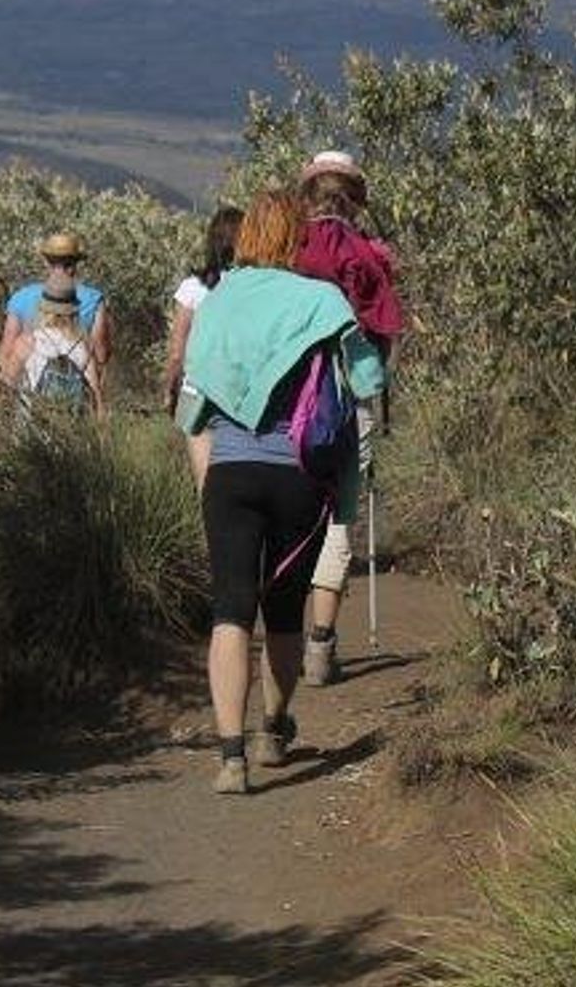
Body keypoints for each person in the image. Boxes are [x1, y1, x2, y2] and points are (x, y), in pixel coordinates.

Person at [179, 189, 385, 794]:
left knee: (230, 608)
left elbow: (192, 407)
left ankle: (230, 756)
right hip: (300, 476)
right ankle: (273, 727)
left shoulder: (218, 303)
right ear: (296, 236)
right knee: (284, 609)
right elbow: (366, 378)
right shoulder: (321, 299)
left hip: (232, 475)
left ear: (246, 239)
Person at [292, 150, 406, 688]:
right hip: (350, 397)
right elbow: (384, 334)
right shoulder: (369, 255)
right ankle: (320, 645)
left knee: (290, 510)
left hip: (287, 399)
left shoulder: (288, 250)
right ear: (353, 198)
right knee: (341, 513)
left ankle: (284, 636)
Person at [162, 206, 242, 488]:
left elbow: (177, 348)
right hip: (240, 388)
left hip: (198, 388)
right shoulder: (251, 286)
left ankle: (213, 528)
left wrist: (170, 389)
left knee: (205, 480)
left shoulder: (192, 288)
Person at [0, 232, 111, 391]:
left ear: (45, 262)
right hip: (77, 402)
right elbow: (101, 355)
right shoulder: (94, 299)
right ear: (76, 263)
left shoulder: (20, 297)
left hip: (31, 400)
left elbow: (6, 352)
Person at [0, 275, 103, 415]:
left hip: (32, 430)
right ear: (73, 310)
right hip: (73, 428)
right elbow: (96, 401)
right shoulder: (83, 346)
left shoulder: (27, 342)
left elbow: (6, 385)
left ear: (43, 308)